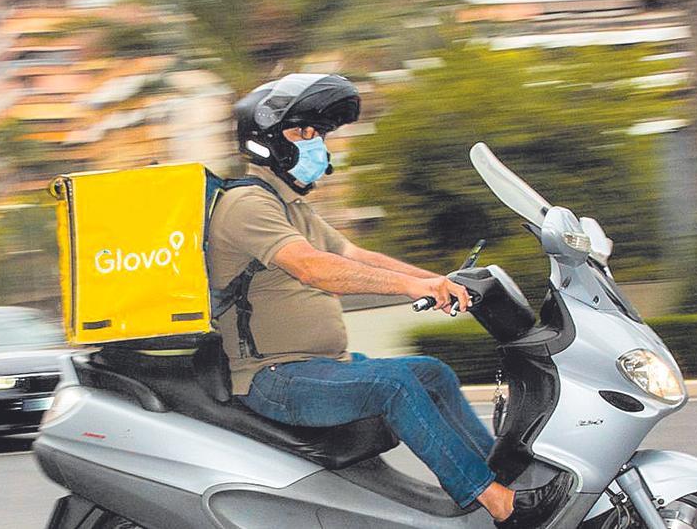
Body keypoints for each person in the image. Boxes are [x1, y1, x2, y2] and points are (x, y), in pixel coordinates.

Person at [207, 73, 568, 527]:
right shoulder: (247, 205)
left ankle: (506, 480)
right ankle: (499, 504)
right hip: (274, 378)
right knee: (394, 385)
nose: (316, 143)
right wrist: (415, 289)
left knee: (431, 373)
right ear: (266, 143)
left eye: (319, 133)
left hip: (319, 366)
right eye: (303, 132)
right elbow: (314, 268)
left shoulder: (292, 208)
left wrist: (440, 280)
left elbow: (359, 256)